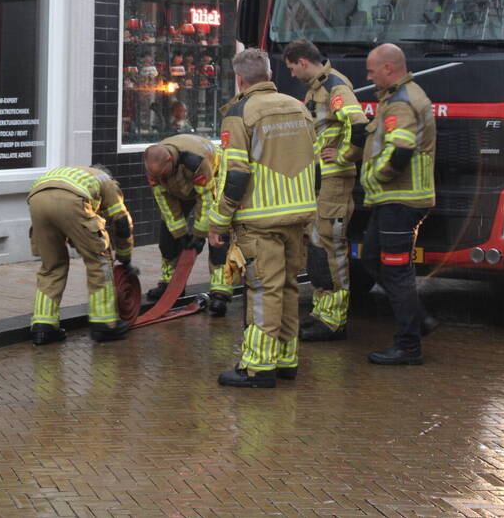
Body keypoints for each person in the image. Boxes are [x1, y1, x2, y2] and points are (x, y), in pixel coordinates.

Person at [208, 48, 317, 388]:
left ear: (239, 79)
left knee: (261, 290)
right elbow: (316, 163)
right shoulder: (299, 108)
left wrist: (219, 219)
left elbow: (237, 174)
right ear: (269, 75)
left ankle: (257, 366)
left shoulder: (240, 114)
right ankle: (286, 359)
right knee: (287, 286)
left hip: (259, 220)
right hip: (297, 215)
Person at [283, 39, 368, 342]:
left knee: (330, 249)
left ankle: (334, 320)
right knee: (318, 247)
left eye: (292, 68)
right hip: (320, 182)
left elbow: (358, 125)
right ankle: (322, 313)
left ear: (303, 62)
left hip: (333, 183)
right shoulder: (319, 88)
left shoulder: (334, 87)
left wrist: (344, 156)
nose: (291, 74)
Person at [360, 43, 437, 365]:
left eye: (371, 70)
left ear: (388, 69)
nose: (368, 75)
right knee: (373, 259)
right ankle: (419, 321)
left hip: (400, 200)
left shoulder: (401, 102)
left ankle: (408, 346)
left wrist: (378, 176)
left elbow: (401, 150)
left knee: (395, 272)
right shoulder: (398, 96)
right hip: (395, 200)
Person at [27, 166, 134, 345]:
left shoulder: (78, 174)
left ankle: (43, 327)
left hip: (36, 199)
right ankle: (105, 324)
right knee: (99, 261)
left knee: (51, 267)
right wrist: (125, 257)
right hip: (72, 201)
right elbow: (122, 222)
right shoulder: (106, 181)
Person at [143, 134, 232, 318]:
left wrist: (199, 235)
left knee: (217, 236)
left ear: (170, 160)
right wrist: (180, 234)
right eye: (156, 176)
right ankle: (171, 284)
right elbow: (164, 201)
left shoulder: (194, 161)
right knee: (167, 237)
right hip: (179, 190)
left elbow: (206, 200)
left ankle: (220, 292)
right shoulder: (154, 169)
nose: (160, 179)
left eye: (163, 174)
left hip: (212, 181)